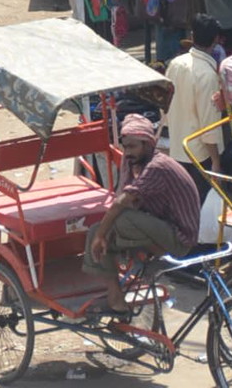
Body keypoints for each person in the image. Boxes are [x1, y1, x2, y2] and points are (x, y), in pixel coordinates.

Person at [85, 113, 200, 310]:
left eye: (132, 147)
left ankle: (142, 253)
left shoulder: (158, 166)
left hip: (180, 238)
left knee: (118, 221)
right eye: (125, 146)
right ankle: (115, 297)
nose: (127, 152)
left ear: (147, 145)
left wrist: (104, 235)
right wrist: (101, 234)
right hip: (161, 225)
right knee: (96, 230)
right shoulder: (136, 163)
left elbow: (121, 202)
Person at [163, 14, 224, 189]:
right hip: (198, 157)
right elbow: (209, 125)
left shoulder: (175, 64)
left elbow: (164, 106)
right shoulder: (207, 75)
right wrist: (216, 163)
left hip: (176, 149)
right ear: (215, 40)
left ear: (191, 36)